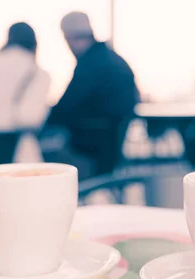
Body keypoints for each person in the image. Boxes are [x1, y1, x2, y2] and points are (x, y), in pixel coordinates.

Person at [42, 11, 139, 179]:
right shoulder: (114, 60)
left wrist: (41, 120)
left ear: (71, 37)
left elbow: (64, 108)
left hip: (87, 156)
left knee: (39, 152)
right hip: (110, 154)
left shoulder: (89, 65)